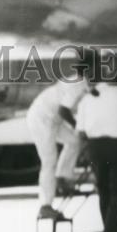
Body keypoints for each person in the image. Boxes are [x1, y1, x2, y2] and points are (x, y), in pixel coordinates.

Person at [26, 56, 92, 222]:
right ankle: (45, 206)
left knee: (74, 141)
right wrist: (79, 127)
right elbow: (64, 111)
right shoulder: (78, 84)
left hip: (53, 119)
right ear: (90, 70)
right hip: (42, 118)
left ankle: (62, 177)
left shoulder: (81, 81)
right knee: (49, 161)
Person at [76, 52, 117, 232]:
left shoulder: (91, 94)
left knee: (104, 190)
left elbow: (81, 131)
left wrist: (84, 152)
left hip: (95, 148)